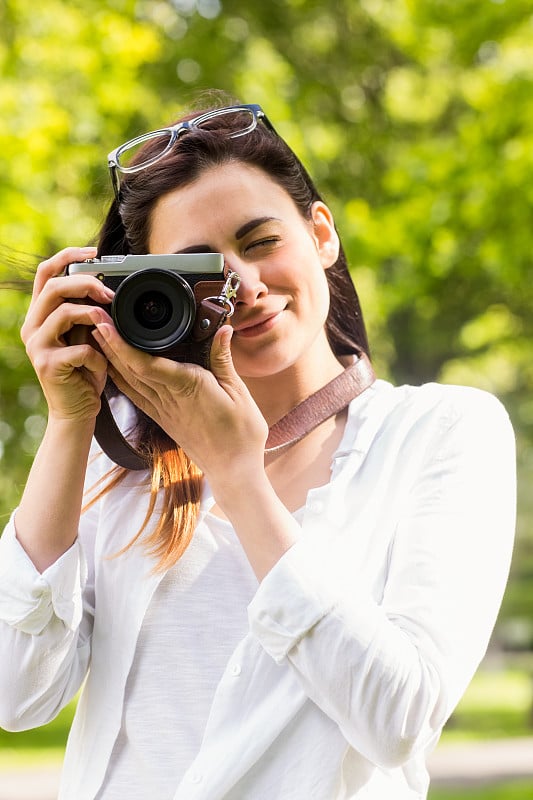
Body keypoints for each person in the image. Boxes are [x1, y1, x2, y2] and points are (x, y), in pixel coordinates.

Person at [0, 95, 516, 800]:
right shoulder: (123, 464)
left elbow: (398, 717)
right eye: (199, 268)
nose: (241, 285)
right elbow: (16, 693)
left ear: (321, 233)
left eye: (261, 241)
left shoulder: (440, 433)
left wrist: (237, 475)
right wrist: (68, 420)